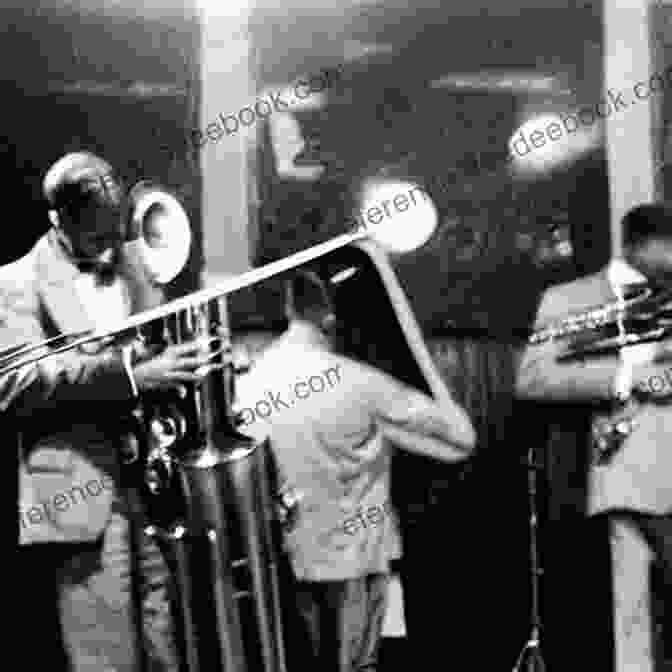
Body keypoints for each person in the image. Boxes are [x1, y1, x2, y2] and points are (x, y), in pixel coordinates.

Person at [2, 152, 216, 671]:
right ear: (57, 219)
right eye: (96, 237)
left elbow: (154, 346)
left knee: (171, 645)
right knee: (105, 659)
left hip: (157, 487)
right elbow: (15, 381)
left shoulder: (134, 262)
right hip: (85, 493)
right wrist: (128, 376)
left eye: (113, 230)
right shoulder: (13, 281)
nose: (110, 246)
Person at [235, 268, 476, 672]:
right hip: (356, 560)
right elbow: (462, 438)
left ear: (289, 307)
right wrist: (419, 369)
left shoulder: (250, 385)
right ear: (331, 318)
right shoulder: (360, 382)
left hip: (284, 562)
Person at [516, 203, 672, 588]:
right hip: (616, 473)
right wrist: (628, 378)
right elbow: (534, 377)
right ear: (643, 246)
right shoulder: (568, 299)